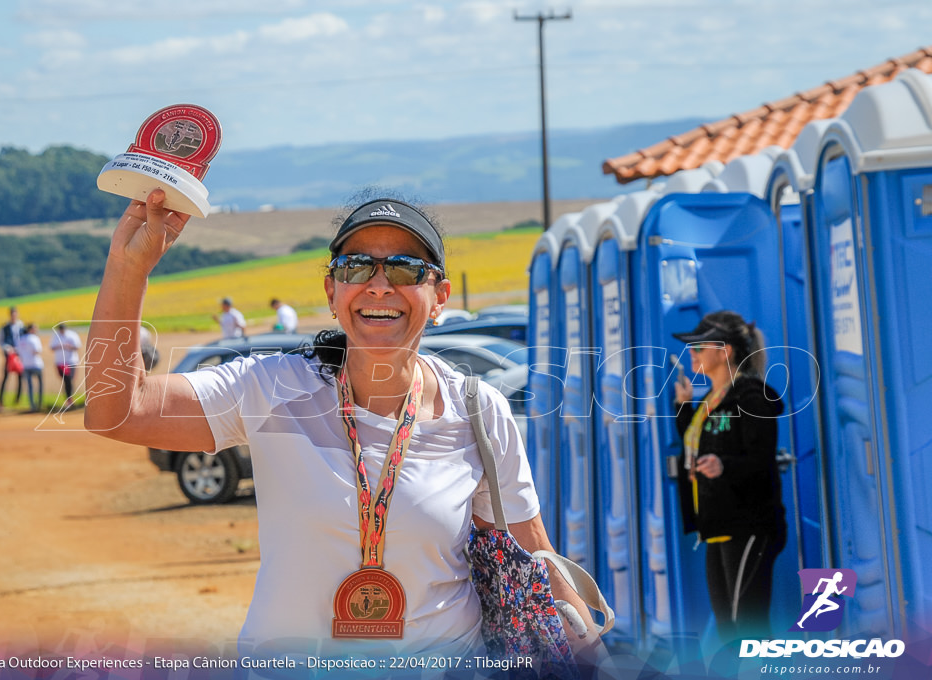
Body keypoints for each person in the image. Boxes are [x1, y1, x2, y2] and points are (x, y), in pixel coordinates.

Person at [83, 191, 602, 671]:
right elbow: (118, 411)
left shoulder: (477, 411)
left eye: (404, 268)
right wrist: (130, 267)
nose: (380, 283)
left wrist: (594, 657)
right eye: (357, 266)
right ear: (333, 291)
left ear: (439, 297)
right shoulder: (270, 389)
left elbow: (534, 559)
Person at [672, 310, 787, 643]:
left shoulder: (751, 396)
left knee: (747, 626)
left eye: (699, 347)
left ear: (726, 351)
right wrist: (684, 410)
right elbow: (701, 447)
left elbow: (759, 457)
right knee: (728, 628)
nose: (692, 354)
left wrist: (724, 466)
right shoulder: (712, 399)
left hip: (747, 524)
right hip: (717, 524)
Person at [0, 306, 25, 410]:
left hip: (19, 354)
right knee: (5, 376)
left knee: (20, 377)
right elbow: (0, 341)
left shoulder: (21, 326)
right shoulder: (4, 327)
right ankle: (1, 401)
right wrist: (7, 348)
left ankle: (18, 399)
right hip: (9, 355)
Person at [50, 322, 82, 408]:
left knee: (69, 379)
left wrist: (68, 346)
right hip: (60, 362)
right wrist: (60, 346)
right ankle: (69, 399)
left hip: (71, 361)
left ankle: (70, 399)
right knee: (66, 380)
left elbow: (77, 346)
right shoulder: (56, 336)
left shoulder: (72, 335)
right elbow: (51, 347)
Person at [17, 323, 44, 412]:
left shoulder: (20, 339)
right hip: (36, 364)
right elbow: (37, 350)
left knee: (30, 387)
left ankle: (32, 405)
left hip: (25, 364)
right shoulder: (34, 338)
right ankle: (39, 404)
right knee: (40, 385)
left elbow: (18, 352)